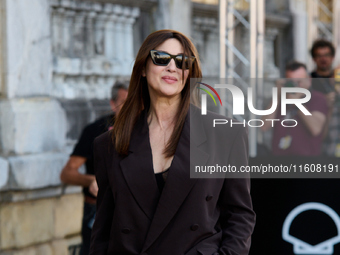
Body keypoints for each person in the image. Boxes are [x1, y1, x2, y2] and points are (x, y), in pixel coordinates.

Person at [90, 29, 255, 255]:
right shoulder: (109, 144)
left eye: (182, 61)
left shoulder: (226, 134)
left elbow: (240, 215)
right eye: (161, 58)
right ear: (142, 69)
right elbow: (103, 230)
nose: (172, 67)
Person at [60, 81, 128, 255]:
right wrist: (91, 180)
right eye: (124, 102)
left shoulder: (148, 131)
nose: (131, 108)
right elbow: (67, 173)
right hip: (97, 212)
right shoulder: (95, 130)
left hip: (131, 213)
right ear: (113, 104)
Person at [261, 61, 328, 156]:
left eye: (299, 82)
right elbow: (264, 126)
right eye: (292, 82)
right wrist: (276, 97)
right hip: (279, 161)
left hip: (306, 162)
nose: (296, 86)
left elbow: (315, 129)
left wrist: (297, 103)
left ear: (309, 80)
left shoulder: (318, 98)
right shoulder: (280, 99)